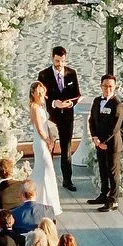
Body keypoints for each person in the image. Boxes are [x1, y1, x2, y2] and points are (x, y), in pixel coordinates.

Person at [36, 46, 82, 194]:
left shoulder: (71, 73)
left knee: (66, 148)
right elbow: (41, 97)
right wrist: (55, 103)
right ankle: (47, 179)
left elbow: (77, 94)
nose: (60, 64)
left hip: (67, 117)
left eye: (62, 61)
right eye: (57, 61)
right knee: (48, 147)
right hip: (51, 117)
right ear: (52, 58)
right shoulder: (44, 75)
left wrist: (70, 103)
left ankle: (67, 180)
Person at [27, 79, 63, 221]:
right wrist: (48, 141)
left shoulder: (42, 106)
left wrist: (51, 138)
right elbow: (39, 128)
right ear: (33, 94)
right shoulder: (34, 107)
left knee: (46, 171)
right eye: (38, 92)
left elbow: (47, 124)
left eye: (42, 92)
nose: (41, 95)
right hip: (40, 142)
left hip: (46, 139)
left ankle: (47, 201)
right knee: (44, 169)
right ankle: (41, 201)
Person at [88, 75, 123, 211]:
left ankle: (113, 200)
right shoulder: (97, 101)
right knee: (102, 169)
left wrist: (103, 141)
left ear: (114, 87)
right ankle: (103, 194)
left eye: (110, 86)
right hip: (99, 143)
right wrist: (94, 137)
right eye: (105, 86)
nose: (107, 89)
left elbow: (115, 127)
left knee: (113, 172)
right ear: (101, 86)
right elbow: (92, 120)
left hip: (111, 144)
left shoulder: (117, 105)